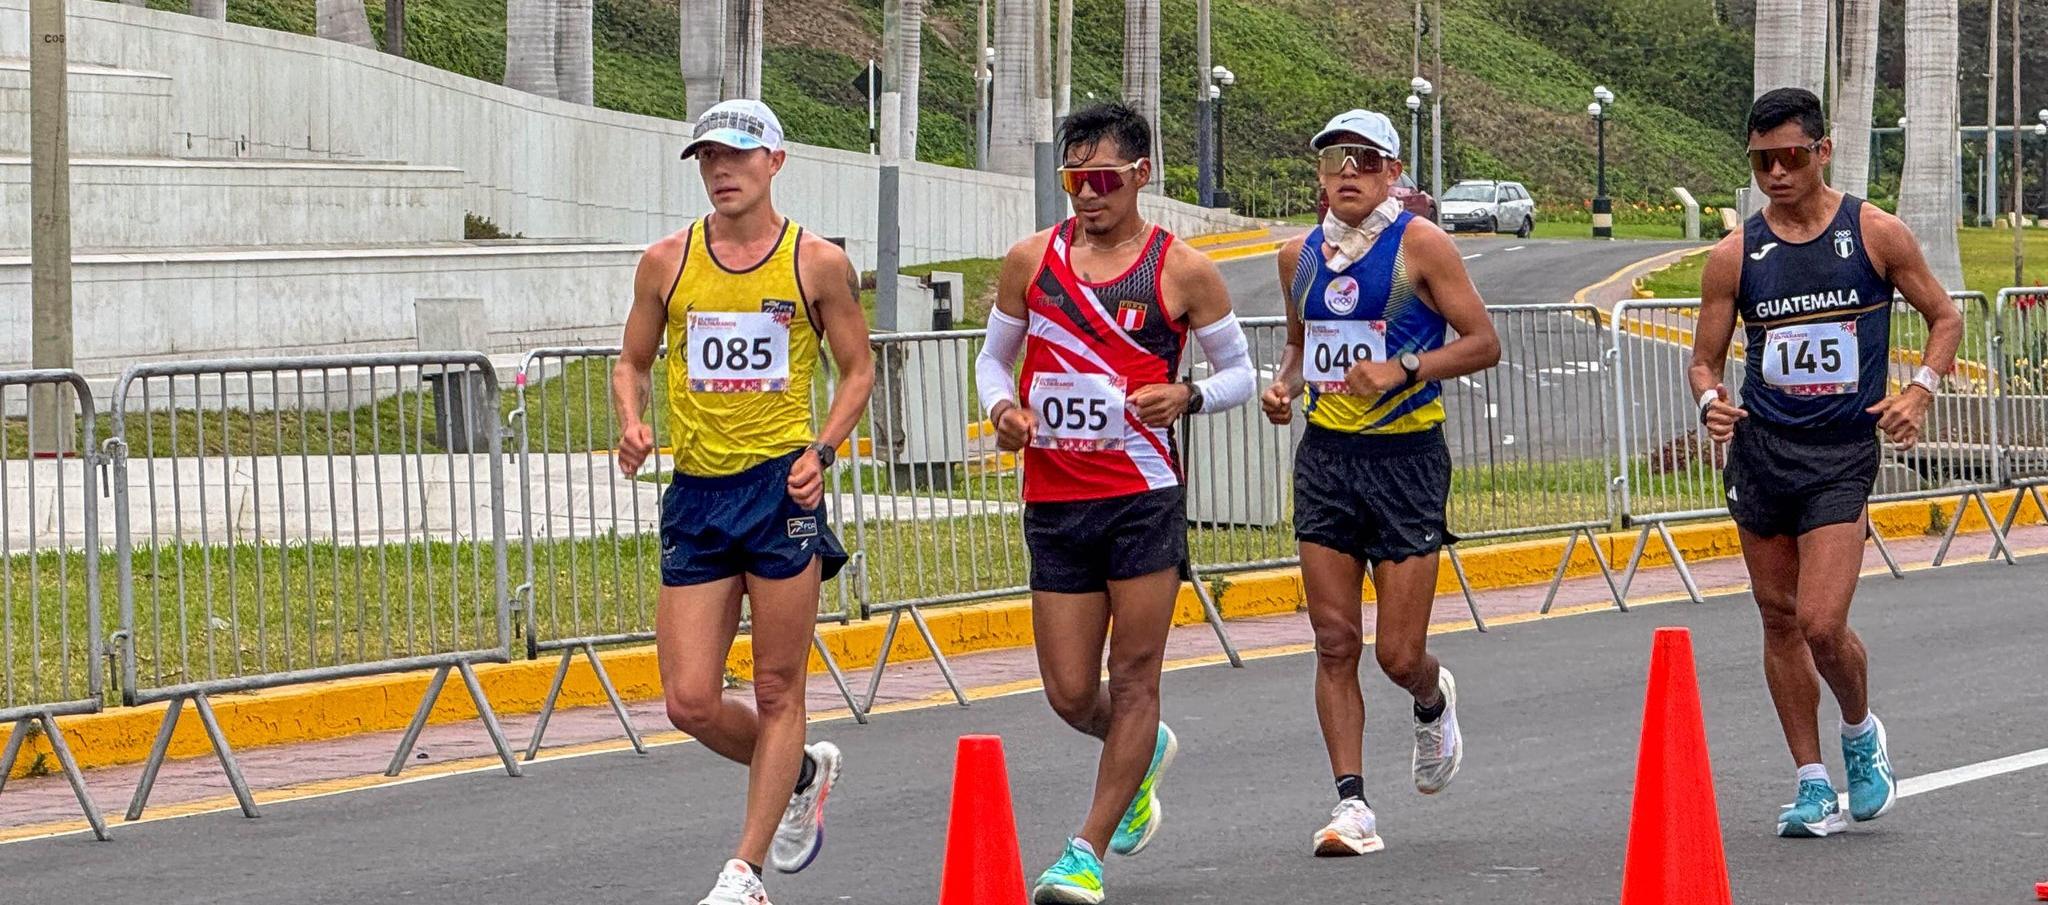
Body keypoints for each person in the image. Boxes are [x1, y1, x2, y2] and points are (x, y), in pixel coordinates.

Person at [974, 102, 1253, 904]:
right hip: (1056, 499)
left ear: (1141, 175)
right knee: (1069, 691)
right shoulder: (1031, 260)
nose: (1087, 196)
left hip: (1142, 496)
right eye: (1073, 179)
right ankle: (1143, 752)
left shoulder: (1181, 270)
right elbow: (994, 361)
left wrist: (1190, 395)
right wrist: (1003, 412)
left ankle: (1083, 851)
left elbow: (1239, 369)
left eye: (1102, 179)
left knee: (1133, 675)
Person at [612, 98, 876, 905]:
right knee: (689, 699)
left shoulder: (816, 263)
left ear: (775, 162)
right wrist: (632, 421)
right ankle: (798, 770)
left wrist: (822, 450)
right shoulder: (666, 260)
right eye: (707, 158)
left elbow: (857, 369)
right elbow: (631, 360)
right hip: (696, 492)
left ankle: (744, 873)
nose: (721, 171)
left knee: (775, 688)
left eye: (737, 155)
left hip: (778, 491)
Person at [1689, 87, 1958, 838]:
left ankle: (1861, 731)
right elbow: (1704, 361)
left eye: (1791, 157)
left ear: (1822, 151)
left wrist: (1920, 389)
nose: (1776, 172)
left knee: (1820, 620)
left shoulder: (1875, 233)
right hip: (1763, 449)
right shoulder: (1735, 253)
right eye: (1761, 161)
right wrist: (1710, 399)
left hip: (1840, 452)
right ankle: (1811, 781)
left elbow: (1945, 314)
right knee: (1777, 618)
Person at [1259, 109, 1500, 857]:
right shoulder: (1296, 255)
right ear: (1321, 176)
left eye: (1367, 160)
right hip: (1328, 458)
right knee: (1334, 641)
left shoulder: (1419, 246)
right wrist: (1283, 386)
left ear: (1394, 173)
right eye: (1336, 161)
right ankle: (1352, 804)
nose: (1349, 173)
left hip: (1406, 459)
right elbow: (1302, 351)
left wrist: (1403, 368)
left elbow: (1485, 342)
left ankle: (1431, 698)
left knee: (1397, 653)